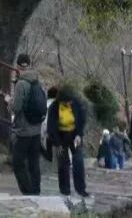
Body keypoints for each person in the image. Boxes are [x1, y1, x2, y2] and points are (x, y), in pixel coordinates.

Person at [10, 53, 47, 195]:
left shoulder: (21, 84)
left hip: (24, 130)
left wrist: (9, 102)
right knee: (34, 162)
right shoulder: (37, 81)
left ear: (18, 66)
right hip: (36, 129)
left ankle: (28, 192)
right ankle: (36, 191)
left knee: (17, 162)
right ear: (29, 65)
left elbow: (16, 108)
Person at [46, 81, 87, 198]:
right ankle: (65, 190)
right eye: (67, 102)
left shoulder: (76, 104)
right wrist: (57, 144)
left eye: (71, 101)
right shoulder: (54, 108)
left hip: (74, 135)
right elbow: (51, 128)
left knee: (78, 161)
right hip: (61, 136)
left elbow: (81, 120)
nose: (70, 103)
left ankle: (81, 189)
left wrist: (79, 134)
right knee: (63, 164)